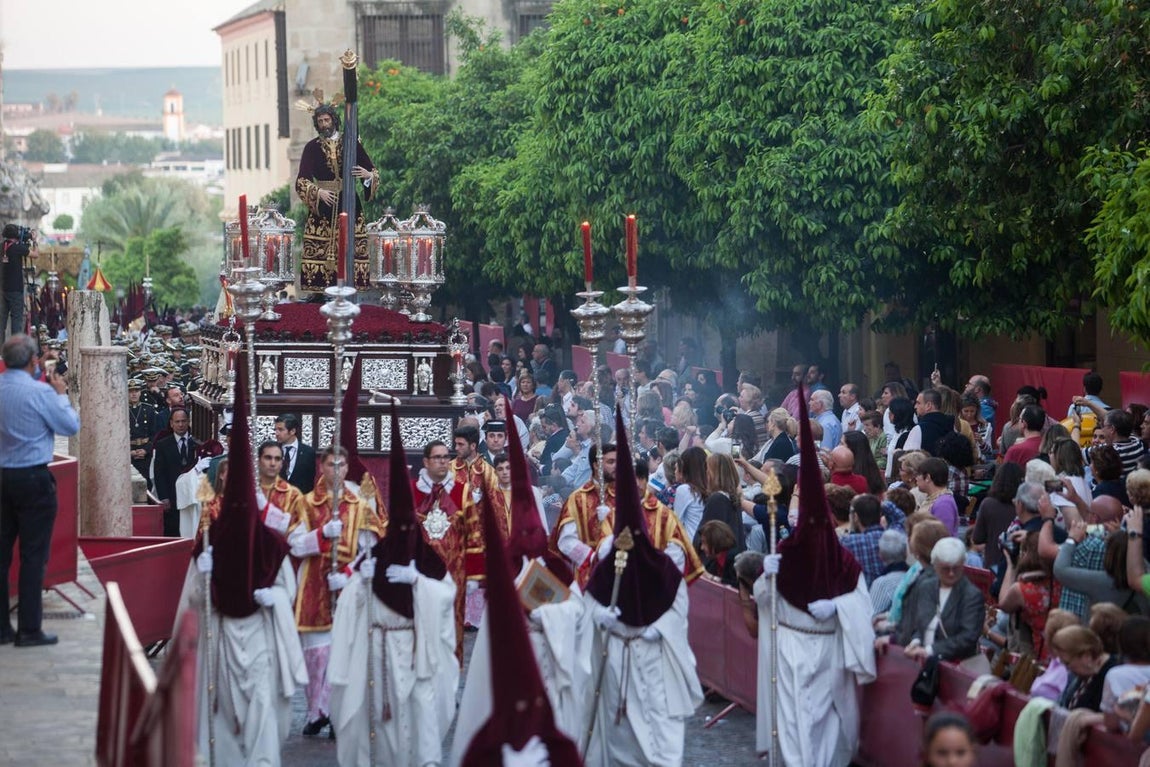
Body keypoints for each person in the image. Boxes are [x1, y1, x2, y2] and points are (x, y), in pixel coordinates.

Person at [179, 362, 307, 764]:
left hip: (260, 639)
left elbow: (288, 587)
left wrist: (276, 598)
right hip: (221, 640)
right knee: (220, 717)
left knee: (263, 708)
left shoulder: (269, 542)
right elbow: (191, 603)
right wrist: (202, 577)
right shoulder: (211, 541)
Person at [451, 406, 586, 763]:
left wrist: (548, 618)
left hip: (547, 658)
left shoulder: (553, 573)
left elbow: (575, 612)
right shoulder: (489, 492)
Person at [328, 404, 459, 767]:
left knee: (418, 712)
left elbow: (446, 595)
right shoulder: (377, 555)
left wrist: (419, 583)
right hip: (376, 649)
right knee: (374, 719)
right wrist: (355, 584)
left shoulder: (426, 561)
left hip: (415, 650)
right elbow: (353, 597)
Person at [755, 385, 876, 765]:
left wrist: (837, 606)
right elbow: (762, 600)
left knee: (823, 725)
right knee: (792, 723)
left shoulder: (842, 563)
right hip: (790, 650)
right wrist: (766, 579)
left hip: (827, 653)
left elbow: (861, 606)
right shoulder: (784, 554)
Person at [584, 410, 702, 767]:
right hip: (616, 655)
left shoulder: (663, 562)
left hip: (653, 658)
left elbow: (679, 604)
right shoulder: (606, 567)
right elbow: (586, 605)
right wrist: (597, 617)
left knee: (658, 727)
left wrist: (658, 629)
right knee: (617, 732)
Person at [287, 445, 384, 738]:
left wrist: (348, 575)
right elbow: (294, 543)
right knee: (315, 655)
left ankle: (336, 711)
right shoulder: (306, 503)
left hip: (347, 587)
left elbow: (370, 549)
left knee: (344, 651)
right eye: (331, 465)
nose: (337, 470)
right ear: (322, 468)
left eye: (342, 465)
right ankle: (317, 710)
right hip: (314, 584)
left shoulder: (360, 506)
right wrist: (319, 535)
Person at [0, 335, 78, 646]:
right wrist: (61, 395)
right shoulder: (41, 392)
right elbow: (70, 426)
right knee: (33, 556)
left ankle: (2, 629)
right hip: (33, 480)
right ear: (34, 361)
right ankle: (29, 629)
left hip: (2, 477)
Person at [294, 101, 379, 292]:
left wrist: (368, 176)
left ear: (334, 119)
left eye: (327, 119)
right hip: (323, 205)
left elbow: (373, 170)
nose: (324, 124)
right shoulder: (311, 148)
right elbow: (301, 180)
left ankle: (352, 287)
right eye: (320, 121)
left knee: (350, 243)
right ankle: (319, 291)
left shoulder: (351, 143)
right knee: (320, 247)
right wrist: (318, 192)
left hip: (349, 202)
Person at [152, 407, 199, 537]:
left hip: (191, 495)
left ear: (188, 422)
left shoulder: (196, 443)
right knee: (173, 529)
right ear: (171, 423)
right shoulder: (162, 445)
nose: (180, 425)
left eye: (183, 421)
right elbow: (159, 473)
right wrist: (164, 497)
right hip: (172, 495)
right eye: (177, 422)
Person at [0, 225, 33, 340]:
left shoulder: (1, 247)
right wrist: (35, 241)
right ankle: (15, 351)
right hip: (15, 290)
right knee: (16, 321)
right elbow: (35, 254)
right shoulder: (18, 248)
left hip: (2, 290)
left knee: (1, 322)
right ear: (16, 235)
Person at [275, 413, 316, 495]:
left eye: (281, 429)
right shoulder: (273, 450)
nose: (276, 433)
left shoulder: (308, 452)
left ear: (292, 431)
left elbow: (310, 482)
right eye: (275, 429)